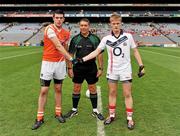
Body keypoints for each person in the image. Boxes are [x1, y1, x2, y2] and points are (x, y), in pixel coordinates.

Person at [79, 13, 145, 130]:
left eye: (117, 23)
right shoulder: (106, 39)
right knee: (112, 93)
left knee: (127, 94)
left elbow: (135, 51)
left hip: (125, 70)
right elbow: (96, 52)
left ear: (121, 23)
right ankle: (112, 115)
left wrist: (141, 65)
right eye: (113, 24)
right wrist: (83, 59)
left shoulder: (128, 36)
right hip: (112, 70)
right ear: (110, 24)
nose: (115, 26)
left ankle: (130, 118)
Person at [32, 10, 78, 130]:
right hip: (47, 63)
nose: (58, 20)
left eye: (61, 18)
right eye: (56, 17)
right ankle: (39, 117)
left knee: (58, 88)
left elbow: (65, 48)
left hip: (60, 63)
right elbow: (58, 46)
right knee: (44, 90)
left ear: (63, 19)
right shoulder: (49, 29)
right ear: (53, 18)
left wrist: (69, 66)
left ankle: (58, 113)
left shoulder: (66, 33)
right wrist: (71, 59)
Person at [64, 18, 104, 121]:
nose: (83, 27)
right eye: (81, 25)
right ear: (79, 26)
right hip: (78, 68)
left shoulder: (95, 39)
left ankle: (95, 110)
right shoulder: (75, 39)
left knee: (92, 88)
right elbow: (70, 55)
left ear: (89, 26)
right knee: (76, 88)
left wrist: (100, 68)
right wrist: (69, 68)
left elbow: (99, 55)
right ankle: (74, 109)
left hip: (91, 68)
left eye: (85, 25)